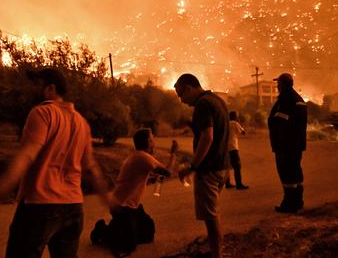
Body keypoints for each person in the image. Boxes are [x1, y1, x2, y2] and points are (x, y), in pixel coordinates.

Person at [0, 68, 109, 258]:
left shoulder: (42, 113)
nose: (30, 89)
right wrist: (108, 199)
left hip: (40, 206)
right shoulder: (82, 123)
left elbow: (26, 157)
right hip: (74, 207)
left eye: (35, 84)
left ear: (50, 88)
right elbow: (91, 169)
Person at [90, 128, 178, 255]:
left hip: (132, 207)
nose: (154, 142)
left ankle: (120, 228)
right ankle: (102, 230)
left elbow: (155, 176)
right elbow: (167, 172)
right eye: (152, 139)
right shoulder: (143, 157)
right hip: (121, 207)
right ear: (148, 142)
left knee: (148, 234)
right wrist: (173, 153)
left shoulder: (139, 157)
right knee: (128, 246)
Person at [175, 73, 230, 258]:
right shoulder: (217, 100)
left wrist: (192, 166)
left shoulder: (202, 105)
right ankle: (217, 250)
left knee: (211, 218)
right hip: (222, 167)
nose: (180, 100)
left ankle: (217, 255)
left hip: (209, 170)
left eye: (180, 94)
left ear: (189, 88)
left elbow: (208, 136)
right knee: (213, 213)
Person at [268, 73, 307, 213]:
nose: (277, 86)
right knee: (296, 171)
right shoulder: (298, 98)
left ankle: (289, 204)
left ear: (283, 84)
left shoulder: (285, 99)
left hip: (286, 145)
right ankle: (297, 202)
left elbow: (281, 123)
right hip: (296, 144)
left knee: (286, 172)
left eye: (278, 83)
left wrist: (279, 143)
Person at [225, 111, 249, 190]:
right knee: (237, 166)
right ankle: (239, 184)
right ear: (235, 116)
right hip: (233, 147)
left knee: (227, 166)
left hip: (226, 148)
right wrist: (239, 123)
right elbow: (243, 132)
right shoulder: (235, 123)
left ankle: (227, 183)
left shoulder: (226, 123)